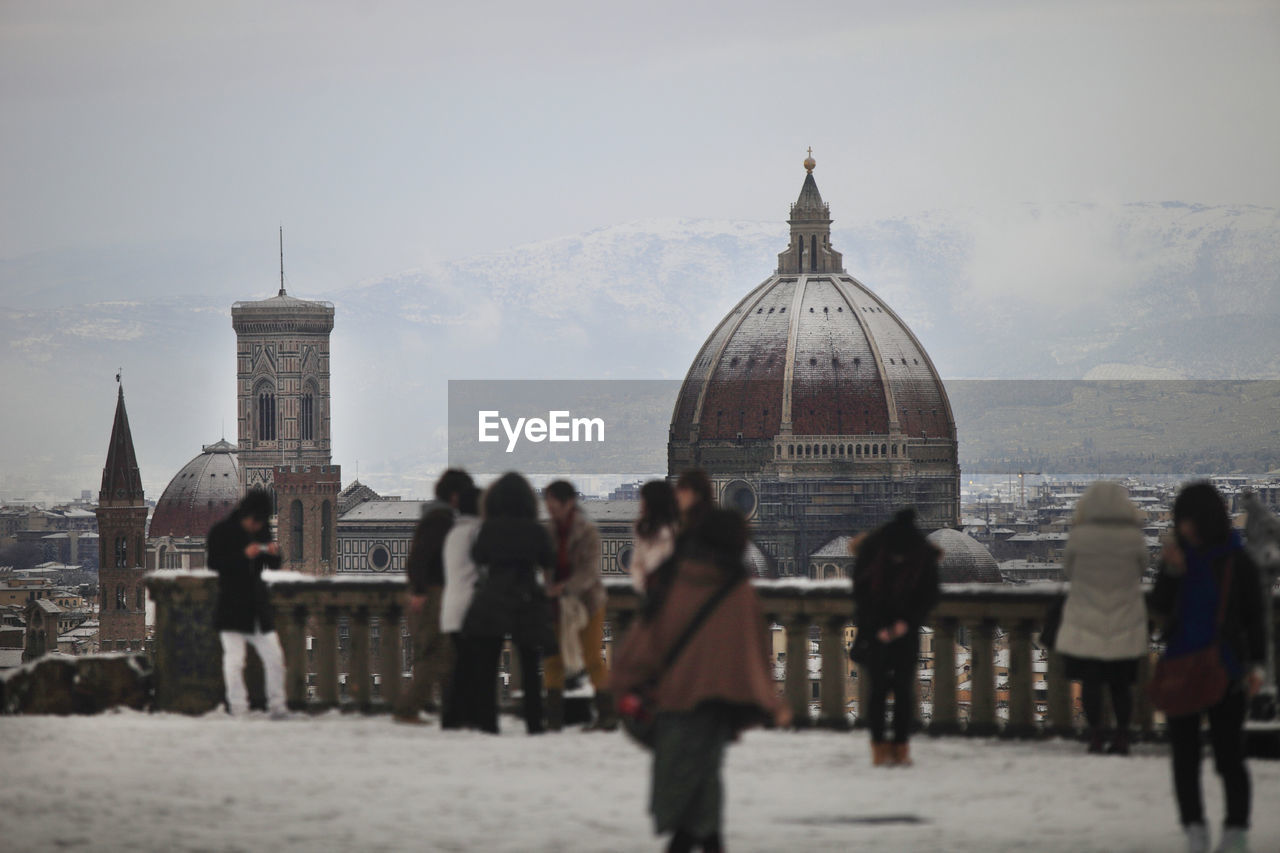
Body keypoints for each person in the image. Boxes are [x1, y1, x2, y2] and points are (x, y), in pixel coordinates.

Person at [612, 508, 790, 853]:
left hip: (672, 705)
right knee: (704, 798)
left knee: (693, 800)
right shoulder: (737, 590)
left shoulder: (672, 580)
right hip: (715, 708)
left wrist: (624, 683)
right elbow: (753, 655)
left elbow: (644, 642)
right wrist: (771, 703)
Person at [1152, 482, 1266, 853]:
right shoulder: (1180, 557)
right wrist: (1170, 572)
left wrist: (1257, 665)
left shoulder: (1238, 560)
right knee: (1185, 759)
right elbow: (1158, 607)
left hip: (1226, 668)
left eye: (1186, 519)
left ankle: (1235, 831)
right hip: (1183, 665)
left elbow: (1255, 618)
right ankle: (1195, 829)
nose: (1181, 527)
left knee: (1228, 756)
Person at [1054, 481, 1150, 755]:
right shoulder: (1133, 536)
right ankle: (1121, 736)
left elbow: (1069, 570)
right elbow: (1143, 565)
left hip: (1087, 619)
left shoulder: (1080, 536)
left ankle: (1096, 734)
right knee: (1121, 685)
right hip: (1124, 619)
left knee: (1092, 683)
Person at [468, 472, 555, 734]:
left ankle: (488, 721)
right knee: (530, 666)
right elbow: (548, 561)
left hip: (493, 598)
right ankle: (533, 721)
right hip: (527, 600)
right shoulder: (535, 530)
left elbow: (478, 556)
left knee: (488, 665)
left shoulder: (489, 529)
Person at [852, 508, 940, 767]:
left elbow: (860, 594)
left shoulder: (873, 549)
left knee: (877, 693)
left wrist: (874, 627)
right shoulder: (921, 550)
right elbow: (929, 595)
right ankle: (900, 748)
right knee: (902, 693)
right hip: (905, 633)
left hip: (876, 633)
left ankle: (879, 748)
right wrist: (907, 623)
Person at [394, 468, 475, 725]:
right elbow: (419, 558)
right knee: (434, 653)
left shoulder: (437, 516)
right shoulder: (440, 519)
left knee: (439, 653)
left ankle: (447, 709)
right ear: (454, 495)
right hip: (431, 595)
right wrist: (419, 591)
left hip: (432, 593)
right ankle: (409, 708)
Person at [207, 489, 287, 717]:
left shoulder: (261, 531)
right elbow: (215, 564)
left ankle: (278, 705)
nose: (258, 526)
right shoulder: (221, 532)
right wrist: (244, 555)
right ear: (246, 515)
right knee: (234, 661)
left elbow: (273, 566)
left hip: (257, 607)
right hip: (231, 606)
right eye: (256, 521)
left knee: (274, 657)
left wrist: (272, 553)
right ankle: (238, 707)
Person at [542, 480, 614, 731]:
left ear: (567, 503)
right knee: (553, 659)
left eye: (552, 503)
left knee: (593, 658)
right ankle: (553, 719)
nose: (549, 508)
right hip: (558, 605)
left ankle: (606, 716)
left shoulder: (587, 531)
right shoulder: (550, 530)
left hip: (587, 604)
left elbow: (590, 572)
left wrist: (565, 587)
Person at [440, 484, 482, 730]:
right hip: (472, 612)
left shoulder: (451, 531)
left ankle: (451, 717)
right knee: (473, 667)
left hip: (450, 610)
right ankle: (471, 717)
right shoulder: (475, 533)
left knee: (454, 666)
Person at [631, 480, 679, 592]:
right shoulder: (643, 532)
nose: (641, 505)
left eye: (644, 500)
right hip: (650, 596)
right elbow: (637, 566)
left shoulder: (677, 533)